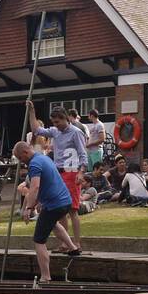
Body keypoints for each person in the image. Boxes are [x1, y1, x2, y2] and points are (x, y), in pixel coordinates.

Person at [12, 140, 81, 283]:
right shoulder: (43, 158)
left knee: (39, 240)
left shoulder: (35, 164)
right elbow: (43, 186)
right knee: (53, 223)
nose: (21, 162)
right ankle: (72, 247)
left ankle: (45, 276)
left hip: (55, 204)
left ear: (25, 152)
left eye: (20, 158)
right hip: (64, 201)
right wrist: (35, 203)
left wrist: (29, 208)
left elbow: (35, 187)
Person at [27, 101, 86, 252]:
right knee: (61, 211)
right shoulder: (54, 131)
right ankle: (65, 243)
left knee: (72, 210)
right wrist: (32, 111)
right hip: (59, 173)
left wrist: (81, 172)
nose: (56, 124)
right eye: (53, 122)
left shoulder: (76, 132)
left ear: (65, 118)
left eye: (57, 122)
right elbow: (36, 129)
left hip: (72, 171)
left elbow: (82, 153)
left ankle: (77, 242)